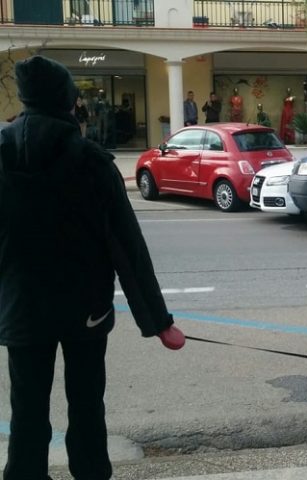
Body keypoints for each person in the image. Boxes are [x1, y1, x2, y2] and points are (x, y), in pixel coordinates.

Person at [0, 55, 185, 480]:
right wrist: (157, 321)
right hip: (86, 308)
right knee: (86, 405)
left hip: (21, 306)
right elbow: (127, 247)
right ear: (68, 102)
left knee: (26, 409)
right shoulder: (92, 161)